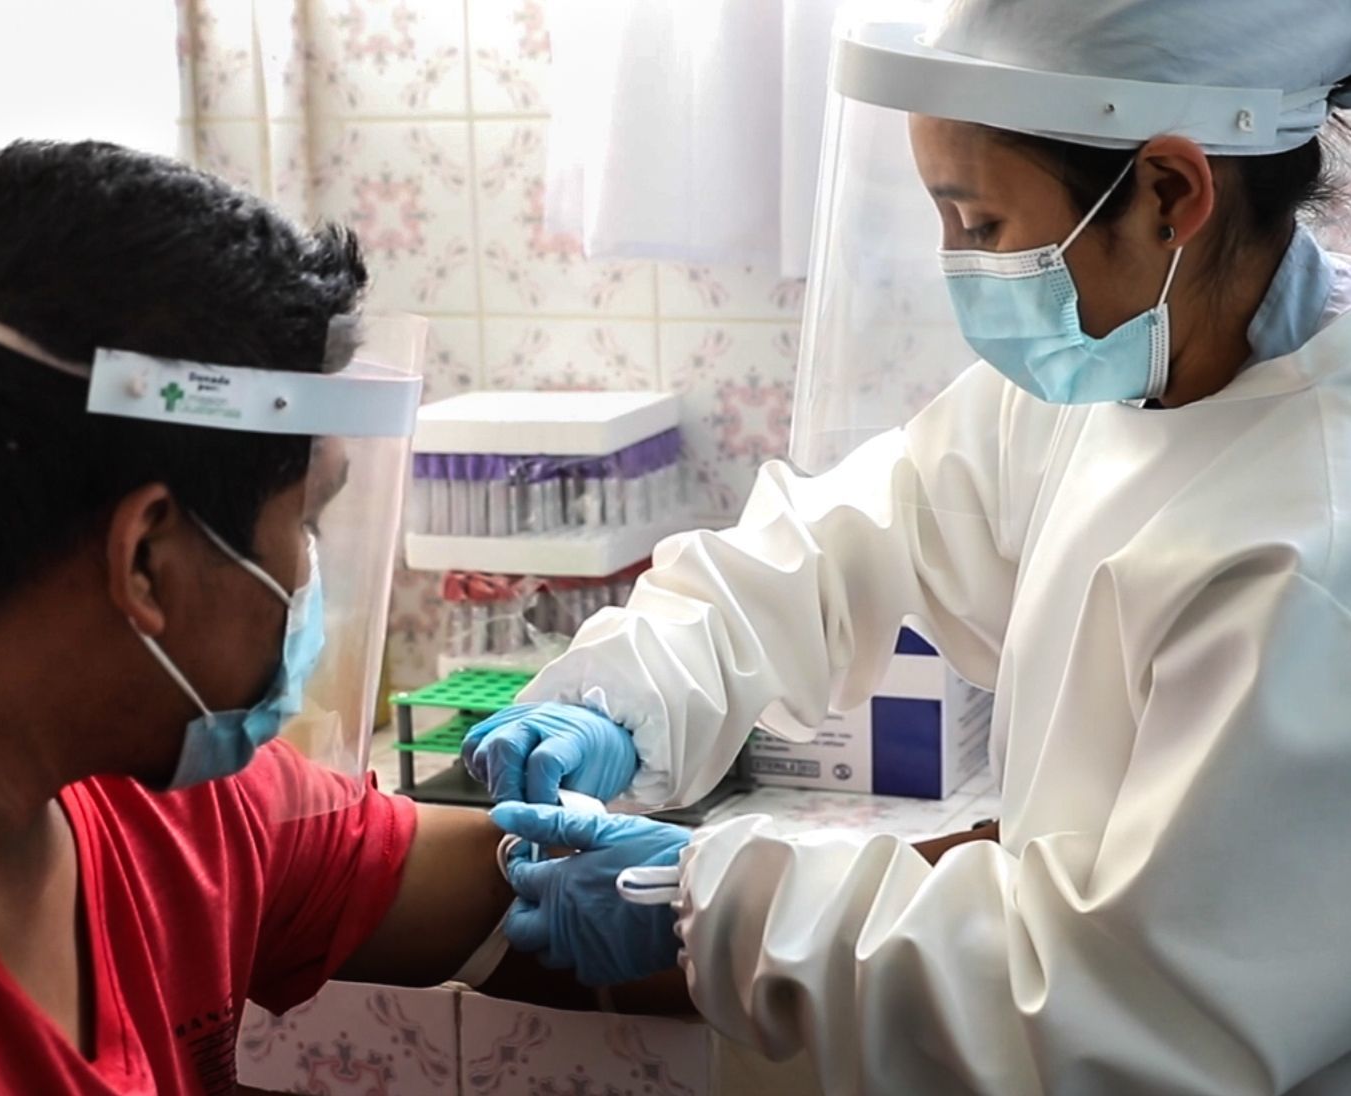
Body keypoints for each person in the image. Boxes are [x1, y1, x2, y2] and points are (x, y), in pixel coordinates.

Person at [465, 0, 1351, 1091]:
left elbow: (1114, 1005)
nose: (957, 269)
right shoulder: (1118, 374)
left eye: (979, 227)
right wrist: (625, 692)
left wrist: (713, 899)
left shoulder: (1304, 551)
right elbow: (852, 534)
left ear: (1171, 193)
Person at [0, 140, 621, 1094]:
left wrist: (729, 909)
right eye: (303, 521)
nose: (308, 573)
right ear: (146, 560)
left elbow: (498, 895)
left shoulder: (129, 766)